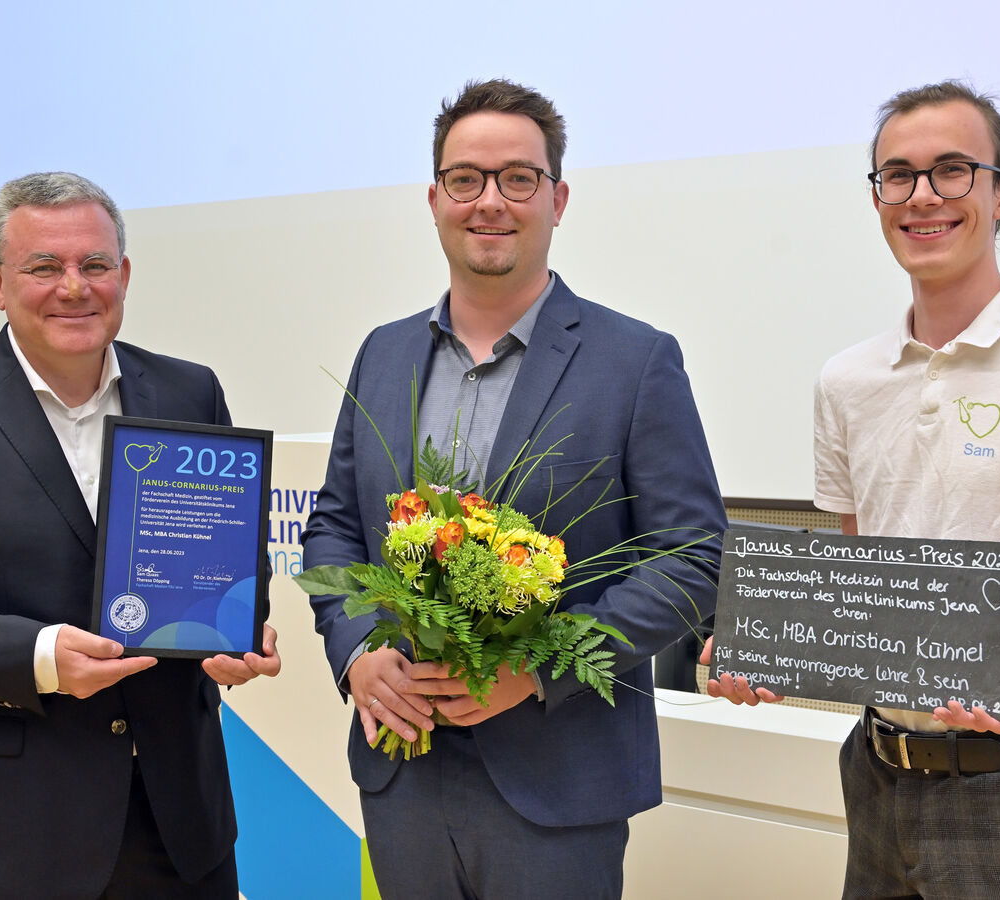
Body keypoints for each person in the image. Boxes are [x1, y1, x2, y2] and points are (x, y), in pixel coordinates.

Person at [704, 81, 1000, 897]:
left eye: (952, 170)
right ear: (876, 199)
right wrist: (775, 647)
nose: (921, 195)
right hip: (874, 772)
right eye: (896, 174)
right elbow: (865, 595)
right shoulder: (846, 381)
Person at [302, 78, 725, 899]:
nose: (488, 201)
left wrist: (535, 672)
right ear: (433, 198)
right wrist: (357, 652)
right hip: (405, 771)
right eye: (465, 178)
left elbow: (692, 556)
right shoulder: (382, 354)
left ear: (557, 198)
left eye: (517, 178)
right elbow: (333, 528)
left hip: (558, 783)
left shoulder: (634, 361)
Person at [0, 172, 281, 899]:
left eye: (94, 264)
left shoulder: (190, 391)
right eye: (44, 266)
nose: (74, 286)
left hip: (179, 822)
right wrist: (37, 656)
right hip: (14, 830)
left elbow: (232, 559)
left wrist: (237, 630)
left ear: (124, 275)